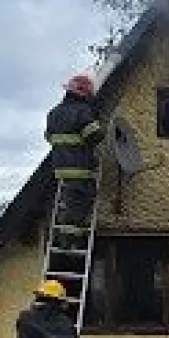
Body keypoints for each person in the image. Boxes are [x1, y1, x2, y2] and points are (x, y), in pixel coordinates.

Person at [45, 74, 105, 248]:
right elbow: (93, 135)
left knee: (69, 203)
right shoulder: (82, 111)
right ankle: (70, 242)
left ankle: (64, 237)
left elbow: (48, 137)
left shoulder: (53, 113)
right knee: (81, 205)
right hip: (80, 168)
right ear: (84, 94)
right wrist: (98, 123)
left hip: (60, 168)